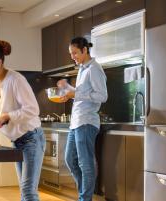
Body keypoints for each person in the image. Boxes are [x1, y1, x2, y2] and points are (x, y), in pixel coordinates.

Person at [0, 40, 46, 201]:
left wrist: (7, 116)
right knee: (25, 190)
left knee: (28, 191)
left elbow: (33, 109)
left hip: (32, 138)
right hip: (17, 140)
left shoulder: (16, 80)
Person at [57, 37, 107, 201]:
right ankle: (84, 195)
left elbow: (102, 96)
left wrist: (75, 93)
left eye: (75, 53)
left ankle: (85, 198)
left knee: (86, 163)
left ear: (85, 50)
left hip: (86, 122)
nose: (73, 56)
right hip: (76, 122)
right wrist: (67, 89)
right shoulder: (82, 69)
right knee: (70, 159)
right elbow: (81, 94)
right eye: (71, 53)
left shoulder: (94, 69)